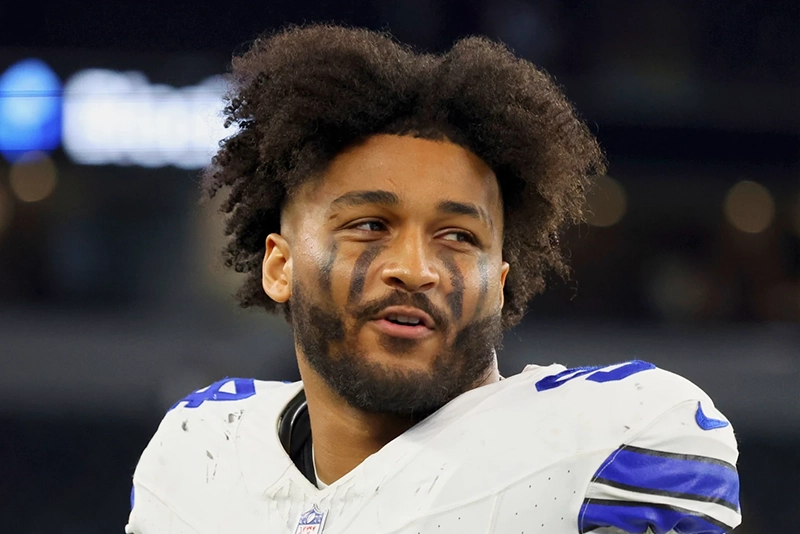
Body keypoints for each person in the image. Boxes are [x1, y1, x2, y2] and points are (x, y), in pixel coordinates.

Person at [126, 24, 741, 534]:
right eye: (369, 225)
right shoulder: (202, 453)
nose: (415, 270)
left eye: (458, 237)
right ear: (280, 266)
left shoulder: (611, 449)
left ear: (499, 282)